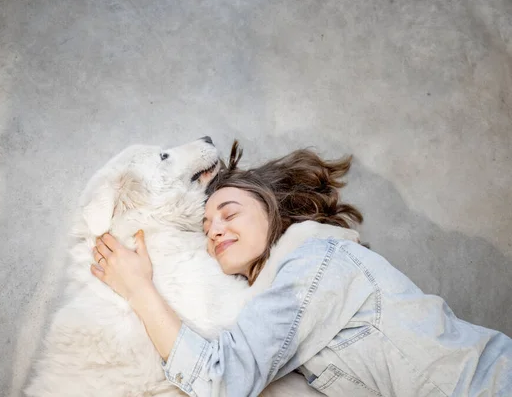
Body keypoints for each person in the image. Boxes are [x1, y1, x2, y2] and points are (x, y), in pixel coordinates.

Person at [91, 143, 512, 396]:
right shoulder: (288, 289)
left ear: (268, 206)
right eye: (206, 226)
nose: (214, 230)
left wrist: (140, 291)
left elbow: (223, 382)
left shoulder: (313, 264)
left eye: (229, 212)